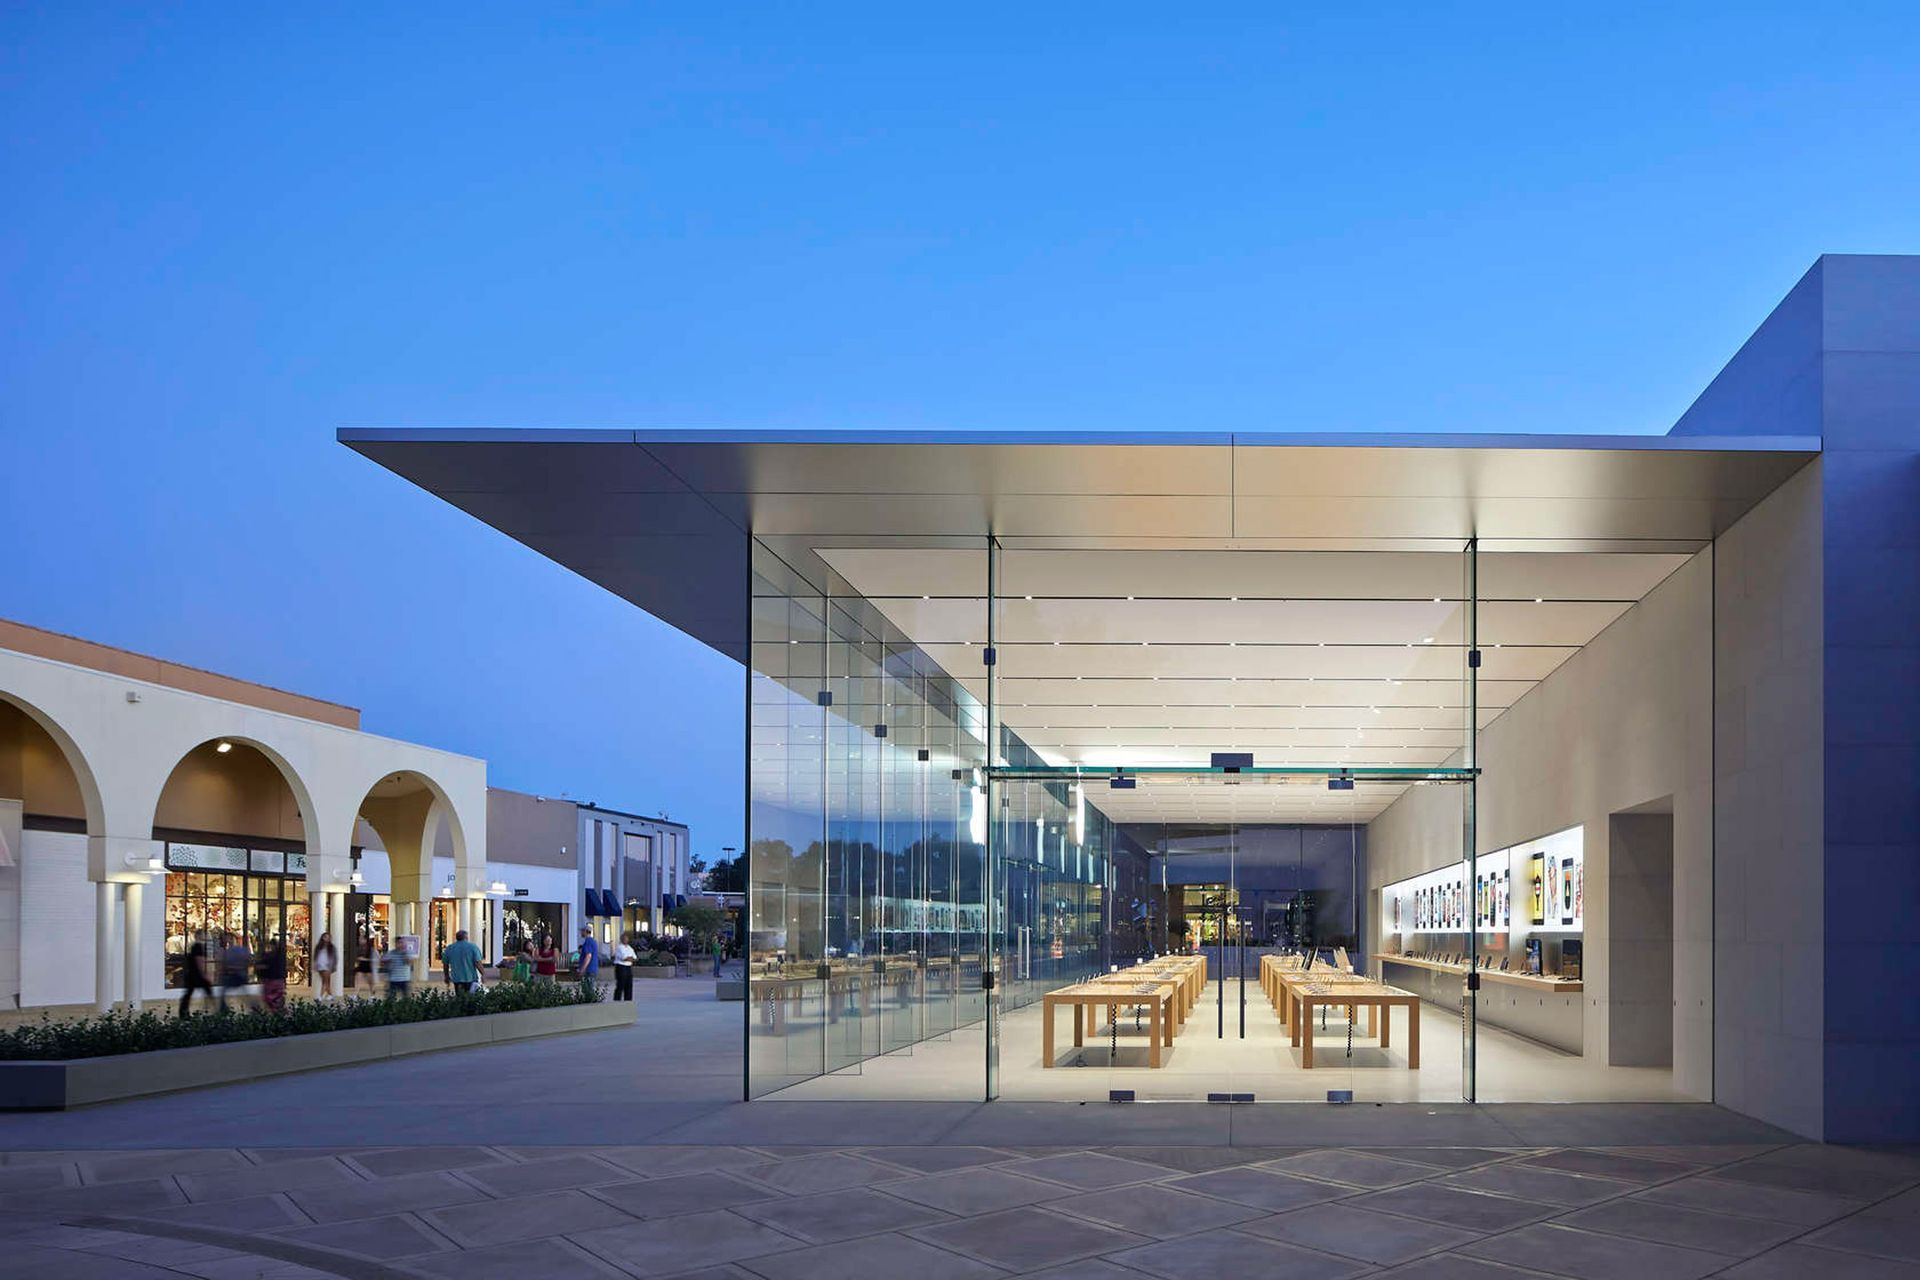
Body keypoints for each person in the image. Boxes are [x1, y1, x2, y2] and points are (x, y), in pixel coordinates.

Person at [178, 939, 213, 1017]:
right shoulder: (199, 955)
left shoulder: (190, 956)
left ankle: (183, 1012)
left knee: (187, 995)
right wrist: (206, 976)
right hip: (198, 977)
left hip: (190, 977)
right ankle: (212, 1009)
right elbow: (200, 965)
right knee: (208, 993)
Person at [219, 932, 253, 1011]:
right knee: (245, 993)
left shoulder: (231, 951)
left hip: (235, 975)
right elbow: (249, 961)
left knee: (224, 991)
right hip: (239, 975)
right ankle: (254, 1007)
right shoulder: (241, 950)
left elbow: (224, 963)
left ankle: (223, 1007)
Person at [443, 929, 483, 995]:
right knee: (471, 998)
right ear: (466, 937)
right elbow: (478, 963)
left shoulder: (450, 948)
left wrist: (446, 976)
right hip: (471, 978)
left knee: (460, 997)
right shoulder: (473, 947)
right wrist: (483, 974)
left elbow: (445, 964)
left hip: (457, 978)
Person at [258, 936, 288, 1013]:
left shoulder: (271, 956)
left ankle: (276, 1011)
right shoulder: (279, 956)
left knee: (270, 998)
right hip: (277, 979)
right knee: (276, 998)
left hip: (272, 980)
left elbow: (264, 966)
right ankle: (278, 1011)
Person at [312, 931, 338, 999]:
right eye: (325, 937)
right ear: (322, 937)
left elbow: (335, 957)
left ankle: (320, 996)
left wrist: (334, 966)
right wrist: (315, 964)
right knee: (326, 981)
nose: (327, 938)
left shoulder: (332, 947)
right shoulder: (318, 947)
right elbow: (315, 956)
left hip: (328, 966)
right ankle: (330, 995)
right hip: (320, 965)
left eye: (328, 937)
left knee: (325, 981)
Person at [612, 932, 636, 1001]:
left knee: (629, 985)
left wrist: (630, 958)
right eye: (624, 939)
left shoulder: (629, 948)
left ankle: (628, 1000)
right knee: (620, 984)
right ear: (621, 939)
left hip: (628, 967)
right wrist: (629, 958)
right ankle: (617, 1000)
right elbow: (624, 958)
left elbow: (635, 958)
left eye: (627, 938)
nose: (626, 940)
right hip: (621, 967)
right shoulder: (619, 947)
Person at [577, 926, 600, 990]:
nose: (581, 932)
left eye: (582, 931)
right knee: (590, 988)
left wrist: (582, 969)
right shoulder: (593, 941)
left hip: (588, 970)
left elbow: (588, 956)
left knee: (587, 990)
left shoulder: (588, 942)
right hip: (592, 969)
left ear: (586, 931)